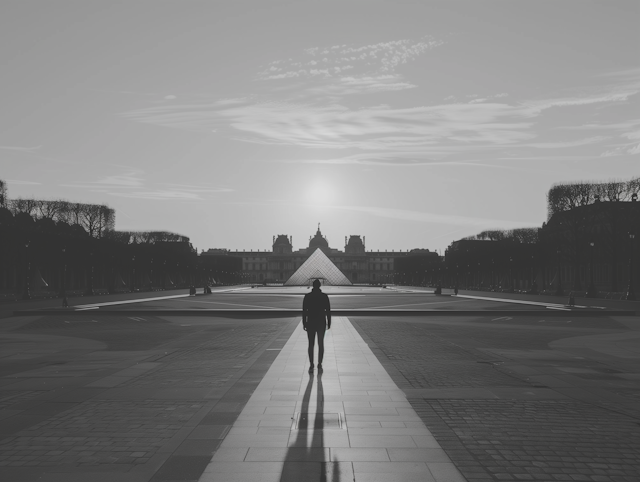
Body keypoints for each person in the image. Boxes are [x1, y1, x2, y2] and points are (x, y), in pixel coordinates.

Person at [302, 279, 331, 373]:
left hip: (310, 321)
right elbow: (328, 311)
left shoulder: (307, 296)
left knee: (311, 344)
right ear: (320, 285)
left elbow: (304, 311)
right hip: (321, 322)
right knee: (321, 344)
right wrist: (329, 322)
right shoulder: (324, 296)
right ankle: (320, 363)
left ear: (313, 285)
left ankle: (311, 364)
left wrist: (304, 322)